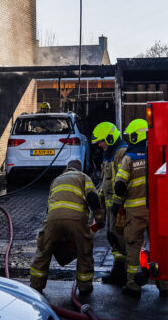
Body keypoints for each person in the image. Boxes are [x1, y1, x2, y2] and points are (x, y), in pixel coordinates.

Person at [29, 159, 104, 295]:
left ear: (67, 168)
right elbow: (93, 197)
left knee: (43, 251)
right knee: (84, 251)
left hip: (52, 219)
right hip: (76, 220)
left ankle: (36, 285)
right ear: (79, 169)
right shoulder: (83, 177)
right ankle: (85, 287)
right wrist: (99, 219)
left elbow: (49, 206)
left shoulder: (56, 180)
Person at [114, 118, 150, 297]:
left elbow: (120, 185)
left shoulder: (129, 158)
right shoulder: (156, 153)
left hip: (135, 211)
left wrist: (116, 204)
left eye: (131, 136)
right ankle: (165, 286)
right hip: (155, 210)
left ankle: (133, 286)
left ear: (136, 136)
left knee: (133, 246)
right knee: (160, 248)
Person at [91, 121, 129, 285]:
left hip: (119, 207)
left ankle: (126, 272)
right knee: (112, 236)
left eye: (101, 141)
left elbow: (122, 182)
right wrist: (98, 197)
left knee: (120, 239)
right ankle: (118, 270)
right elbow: (107, 181)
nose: (100, 145)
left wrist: (118, 205)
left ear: (110, 138)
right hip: (111, 206)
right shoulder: (109, 154)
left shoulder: (120, 153)